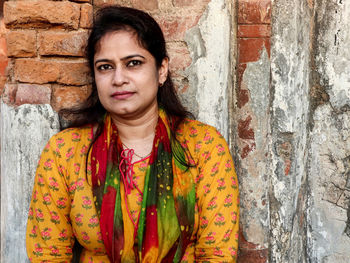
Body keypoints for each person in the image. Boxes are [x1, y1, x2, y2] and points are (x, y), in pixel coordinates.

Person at [26, 5, 239, 263]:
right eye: (105, 67)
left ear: (161, 70)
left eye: (133, 63)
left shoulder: (203, 146)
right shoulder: (66, 151)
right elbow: (47, 255)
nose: (118, 78)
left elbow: (217, 254)